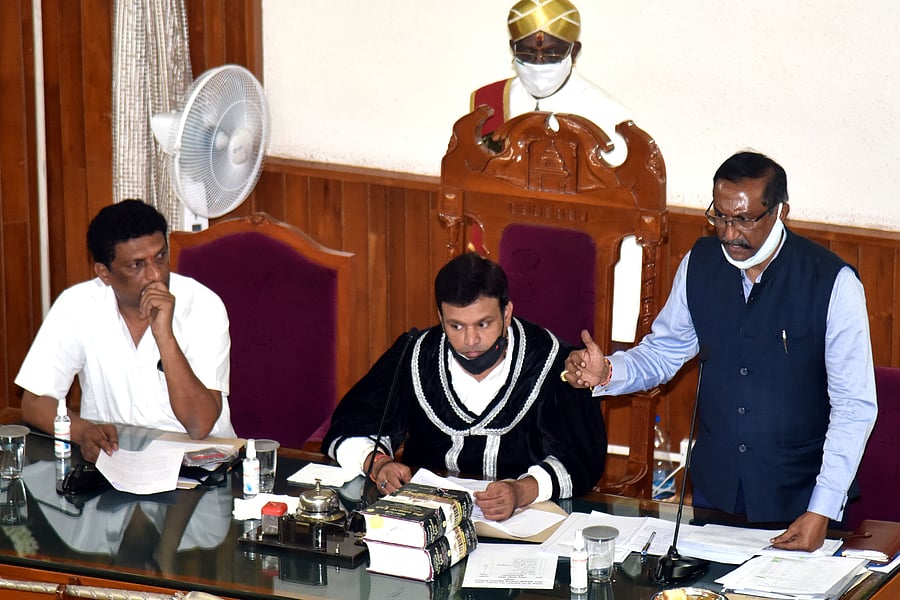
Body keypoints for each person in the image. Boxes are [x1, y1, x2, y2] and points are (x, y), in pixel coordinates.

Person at [564, 151, 878, 551]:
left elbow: (854, 407)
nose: (730, 234)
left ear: (781, 211)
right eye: (721, 217)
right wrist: (608, 371)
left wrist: (823, 508)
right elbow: (664, 351)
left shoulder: (834, 283)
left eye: (745, 220)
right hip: (716, 491)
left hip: (800, 498)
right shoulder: (700, 262)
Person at [322, 252, 606, 521]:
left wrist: (522, 491)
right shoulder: (417, 354)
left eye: (483, 323)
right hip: (426, 523)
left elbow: (582, 461)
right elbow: (351, 427)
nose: (470, 340)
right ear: (440, 316)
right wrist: (380, 463)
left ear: (507, 313)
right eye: (456, 326)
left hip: (524, 528)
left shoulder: (550, 361)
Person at [16, 200, 235, 462]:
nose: (155, 274)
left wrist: (164, 336)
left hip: (200, 467)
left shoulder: (203, 306)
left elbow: (200, 426)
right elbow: (35, 401)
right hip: (116, 463)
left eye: (161, 257)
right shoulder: (77, 305)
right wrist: (84, 432)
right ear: (104, 273)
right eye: (137, 265)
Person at [471, 0, 631, 165]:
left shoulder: (609, 113)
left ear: (574, 51)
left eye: (552, 54)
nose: (539, 62)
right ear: (513, 48)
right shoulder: (489, 101)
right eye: (528, 52)